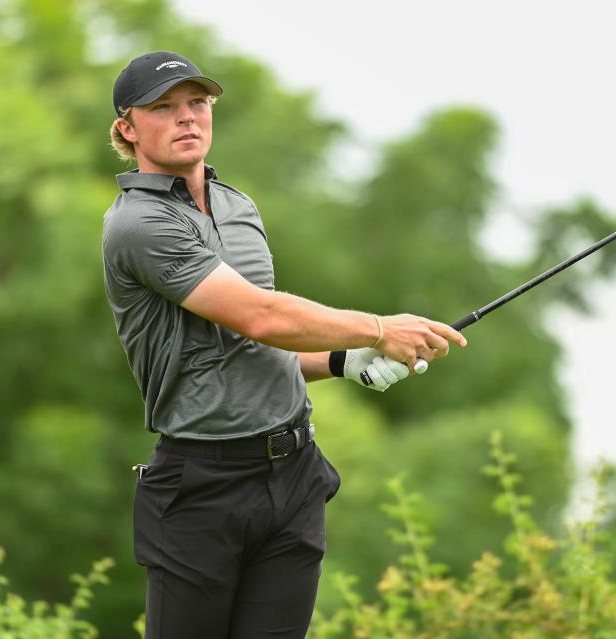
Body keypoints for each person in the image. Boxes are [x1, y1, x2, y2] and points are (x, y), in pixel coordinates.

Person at [102, 51, 466, 639]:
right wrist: (379, 328)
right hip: (202, 486)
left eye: (197, 102)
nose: (186, 118)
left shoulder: (236, 206)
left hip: (292, 475)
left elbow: (247, 348)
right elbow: (263, 318)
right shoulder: (138, 224)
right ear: (127, 128)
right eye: (163, 108)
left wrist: (347, 361)